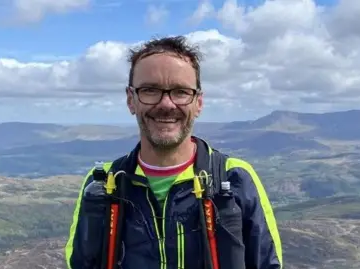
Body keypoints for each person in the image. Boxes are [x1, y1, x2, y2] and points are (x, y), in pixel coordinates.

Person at [64, 35, 283, 269]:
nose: (167, 104)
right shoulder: (103, 185)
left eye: (180, 92)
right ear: (131, 100)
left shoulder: (234, 177)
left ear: (198, 102)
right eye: (150, 90)